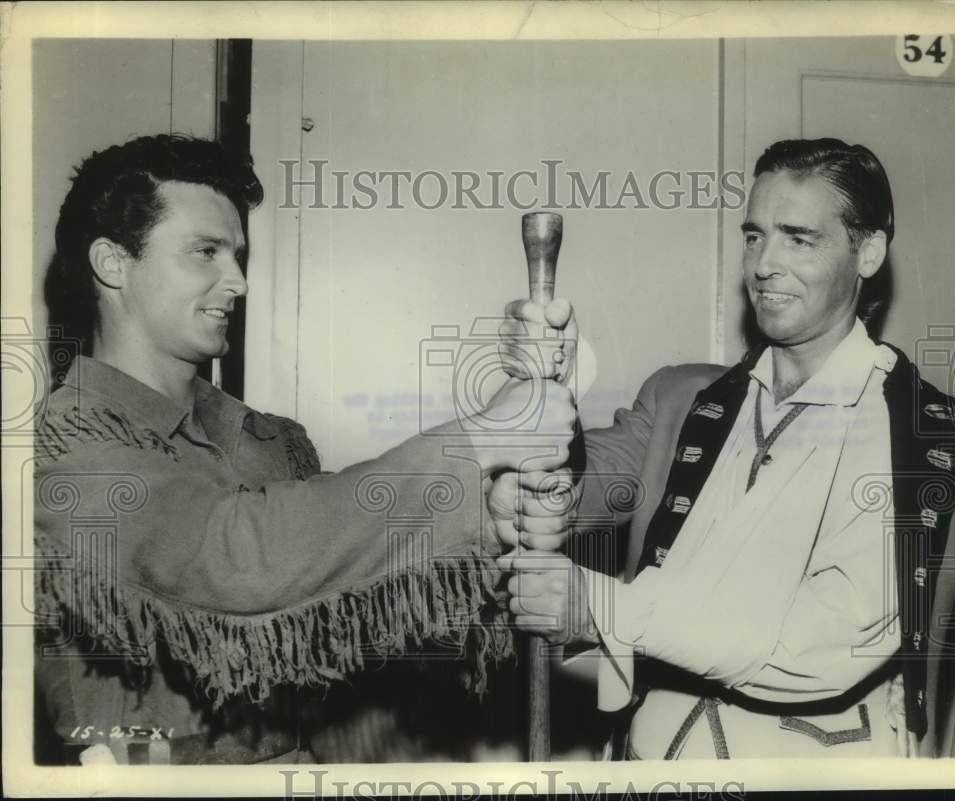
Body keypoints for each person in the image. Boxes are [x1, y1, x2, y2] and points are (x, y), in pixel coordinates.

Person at [33, 134, 577, 764]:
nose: (236, 281)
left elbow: (337, 621)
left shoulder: (271, 442)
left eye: (238, 256)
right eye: (205, 252)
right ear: (113, 264)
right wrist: (479, 440)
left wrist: (489, 508)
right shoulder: (63, 446)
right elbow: (236, 560)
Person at [500, 139, 955, 759]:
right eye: (755, 236)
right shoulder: (684, 400)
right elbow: (546, 496)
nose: (764, 264)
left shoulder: (923, 433)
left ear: (870, 252)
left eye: (798, 238)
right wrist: (533, 389)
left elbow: (820, 644)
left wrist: (600, 607)